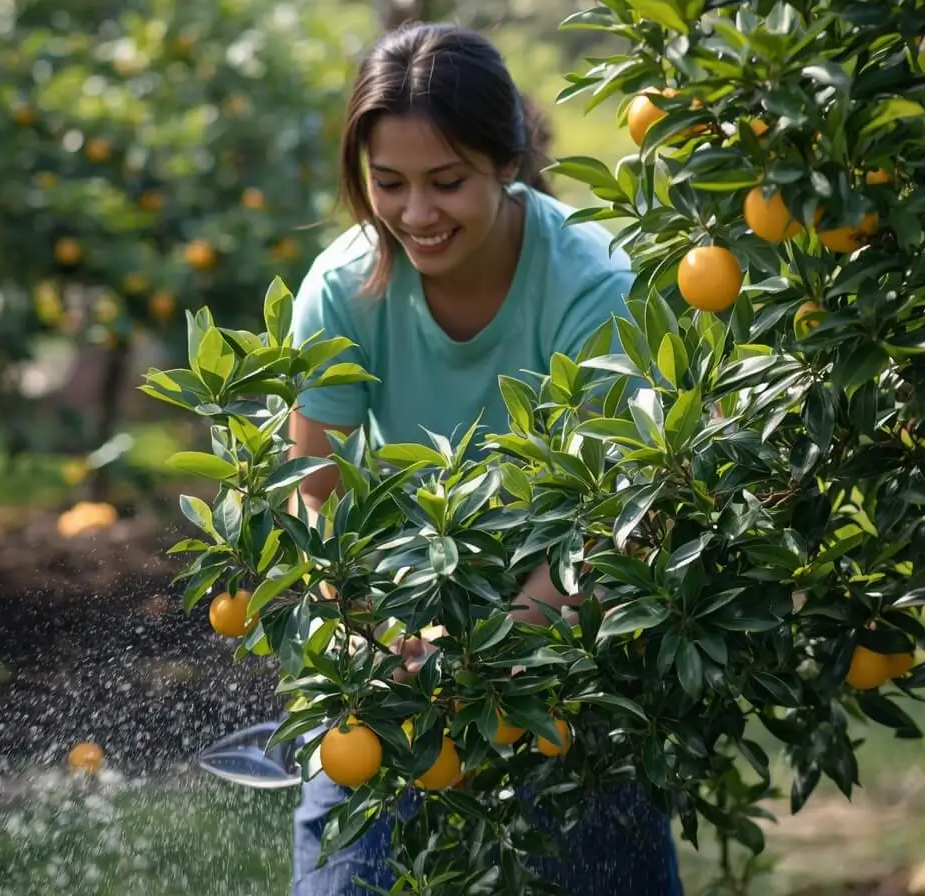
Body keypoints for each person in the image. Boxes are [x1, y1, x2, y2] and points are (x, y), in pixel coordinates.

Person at [283, 20, 684, 896]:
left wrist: (489, 657)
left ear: (506, 162)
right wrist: (380, 642)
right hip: (397, 645)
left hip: (570, 647)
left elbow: (611, 519)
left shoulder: (593, 285)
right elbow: (313, 500)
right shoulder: (343, 288)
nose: (416, 215)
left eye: (447, 182)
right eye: (388, 184)